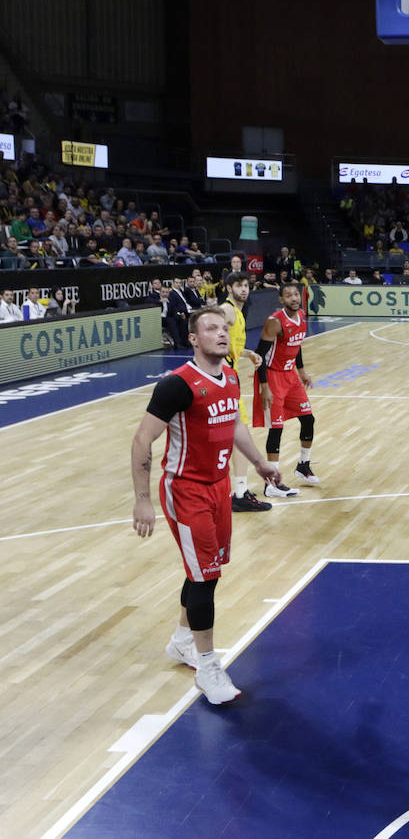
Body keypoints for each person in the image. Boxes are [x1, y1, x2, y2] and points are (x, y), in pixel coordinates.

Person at [129, 307, 282, 704]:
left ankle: (182, 641)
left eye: (225, 328)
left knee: (207, 572)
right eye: (210, 328)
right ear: (193, 338)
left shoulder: (229, 376)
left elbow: (233, 425)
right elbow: (142, 440)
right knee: (203, 578)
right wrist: (142, 499)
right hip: (185, 490)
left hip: (218, 487)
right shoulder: (176, 385)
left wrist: (259, 463)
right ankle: (208, 667)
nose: (221, 333)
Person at [252, 282, 320, 493]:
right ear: (281, 300)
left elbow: (296, 346)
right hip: (272, 376)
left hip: (290, 375)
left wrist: (301, 372)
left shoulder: (301, 315)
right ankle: (271, 484)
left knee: (308, 418)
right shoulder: (275, 322)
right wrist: (264, 386)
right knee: (276, 428)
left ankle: (303, 466)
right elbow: (259, 355)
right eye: (288, 295)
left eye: (296, 294)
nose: (294, 297)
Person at [217, 272, 273, 511]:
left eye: (246, 286)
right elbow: (210, 330)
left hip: (228, 375)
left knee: (229, 437)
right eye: (239, 285)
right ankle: (239, 493)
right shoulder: (227, 310)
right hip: (222, 377)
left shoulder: (238, 313)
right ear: (229, 288)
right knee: (238, 437)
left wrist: (247, 353)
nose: (244, 289)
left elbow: (231, 341)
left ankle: (235, 491)